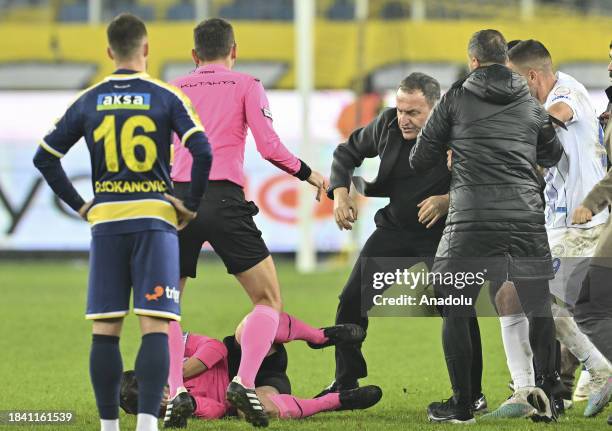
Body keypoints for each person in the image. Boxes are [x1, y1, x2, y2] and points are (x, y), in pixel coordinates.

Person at [32, 13, 212, 431]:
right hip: (154, 220)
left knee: (106, 328)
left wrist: (81, 205)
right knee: (155, 324)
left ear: (110, 52)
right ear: (146, 49)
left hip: (108, 222)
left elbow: (45, 157)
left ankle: (109, 427)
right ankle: (147, 424)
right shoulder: (166, 96)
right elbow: (202, 152)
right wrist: (190, 205)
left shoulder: (89, 99)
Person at [166, 18, 328, 428]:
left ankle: (175, 392)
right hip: (222, 198)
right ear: (233, 51)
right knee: (267, 302)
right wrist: (311, 175)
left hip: (178, 201)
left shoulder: (174, 88)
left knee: (167, 308)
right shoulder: (247, 84)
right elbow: (269, 147)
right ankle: (244, 380)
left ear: (193, 55)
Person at [409, 29, 563, 424]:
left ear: (473, 61)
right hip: (525, 218)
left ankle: (463, 404)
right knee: (537, 303)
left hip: (471, 218)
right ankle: (549, 396)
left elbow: (420, 157)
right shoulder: (529, 102)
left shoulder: (457, 96)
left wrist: (454, 150)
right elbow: (552, 151)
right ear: (505, 60)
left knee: (454, 301)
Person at [320, 73, 485, 406]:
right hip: (395, 230)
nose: (404, 119)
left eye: (413, 113)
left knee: (457, 308)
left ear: (435, 109)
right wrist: (339, 193)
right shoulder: (386, 125)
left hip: (444, 234)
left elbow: (486, 182)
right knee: (352, 298)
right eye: (400, 110)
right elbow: (346, 153)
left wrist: (447, 200)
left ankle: (471, 395)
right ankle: (345, 381)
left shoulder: (461, 131)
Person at [485, 39, 611, 419]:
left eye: (512, 81)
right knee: (516, 296)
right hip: (556, 225)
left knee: (517, 292)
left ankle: (582, 373)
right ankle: (533, 388)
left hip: (585, 225)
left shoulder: (566, 91)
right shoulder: (535, 107)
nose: (509, 90)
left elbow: (556, 116)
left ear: (532, 76)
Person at [119, 315, 381, 423]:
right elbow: (220, 408)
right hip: (258, 385)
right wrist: (190, 403)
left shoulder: (166, 353)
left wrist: (182, 374)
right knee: (253, 408)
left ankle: (319, 336)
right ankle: (337, 400)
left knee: (253, 321)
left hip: (245, 355)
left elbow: (215, 347)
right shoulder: (178, 411)